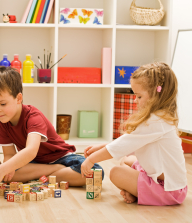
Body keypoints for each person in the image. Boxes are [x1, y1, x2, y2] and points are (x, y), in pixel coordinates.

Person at [0, 66, 104, 189]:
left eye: (2, 104)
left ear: (18, 98)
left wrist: (2, 170)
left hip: (61, 157)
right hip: (35, 163)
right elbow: (9, 154)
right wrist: (6, 169)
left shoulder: (33, 116)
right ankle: (55, 171)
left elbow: (31, 151)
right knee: (10, 174)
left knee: (96, 173)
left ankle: (49, 173)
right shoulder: (2, 118)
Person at [81, 62, 188, 205]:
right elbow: (129, 142)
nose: (134, 100)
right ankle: (138, 192)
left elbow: (124, 144)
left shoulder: (155, 122)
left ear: (157, 94)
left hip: (169, 190)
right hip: (170, 183)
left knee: (116, 172)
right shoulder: (160, 117)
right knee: (126, 160)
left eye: (138, 96)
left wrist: (91, 159)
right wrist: (102, 147)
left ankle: (139, 193)